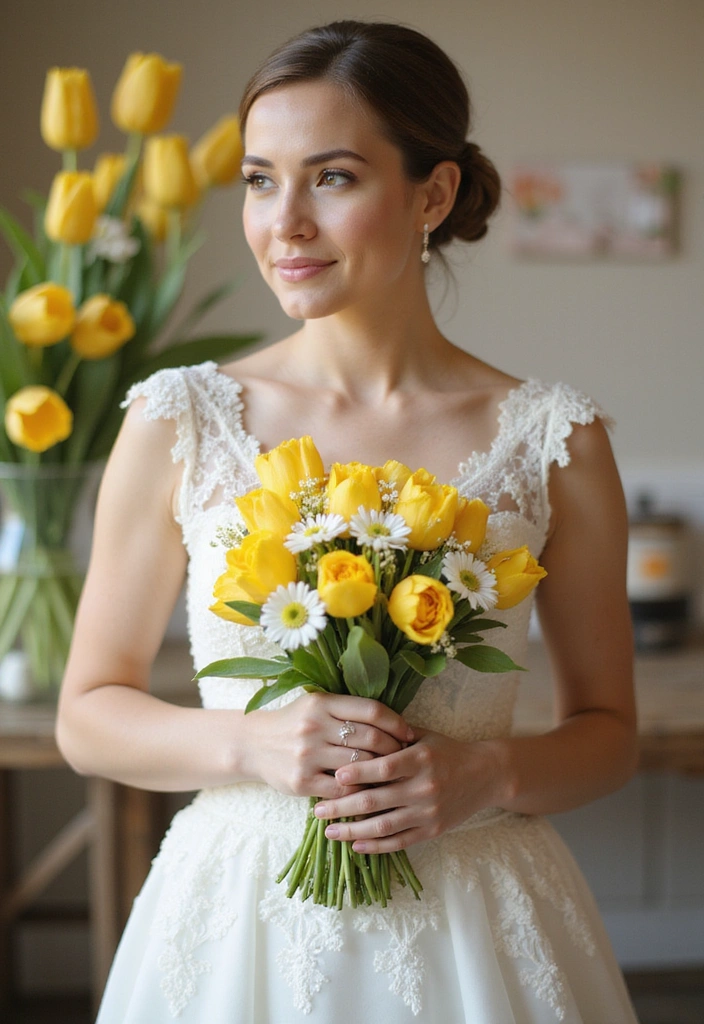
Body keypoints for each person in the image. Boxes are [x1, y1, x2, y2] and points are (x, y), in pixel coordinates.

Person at [57, 20, 640, 1023]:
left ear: (433, 193)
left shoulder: (555, 439)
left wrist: (487, 772)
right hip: (242, 919)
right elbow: (87, 713)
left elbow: (608, 734)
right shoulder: (179, 420)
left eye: (330, 178)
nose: (282, 223)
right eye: (256, 179)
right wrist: (250, 746)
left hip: (476, 928)